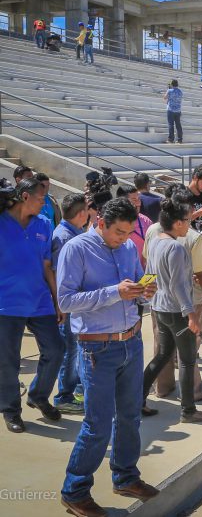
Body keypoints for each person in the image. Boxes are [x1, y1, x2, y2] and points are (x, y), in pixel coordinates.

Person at [57, 198, 159, 515]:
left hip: (130, 340)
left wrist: (145, 291)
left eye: (129, 232)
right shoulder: (75, 249)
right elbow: (66, 300)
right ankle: (74, 491)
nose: (124, 238)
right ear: (100, 223)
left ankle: (125, 476)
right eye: (118, 232)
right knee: (97, 424)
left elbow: (134, 282)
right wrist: (115, 291)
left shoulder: (128, 248)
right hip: (96, 348)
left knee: (129, 416)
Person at [143, 187, 202, 402]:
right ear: (178, 221)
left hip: (158, 306)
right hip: (179, 309)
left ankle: (144, 395)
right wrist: (192, 315)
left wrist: (145, 293)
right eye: (188, 219)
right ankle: (189, 407)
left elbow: (148, 271)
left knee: (161, 355)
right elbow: (182, 284)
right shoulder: (182, 244)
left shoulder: (153, 235)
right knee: (188, 360)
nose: (190, 224)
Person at [0, 178, 63, 433]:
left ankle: (38, 395)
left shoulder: (45, 224)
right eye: (41, 198)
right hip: (6, 304)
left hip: (39, 301)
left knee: (57, 350)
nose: (44, 203)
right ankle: (10, 409)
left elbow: (47, 267)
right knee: (8, 361)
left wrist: (58, 302)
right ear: (25, 197)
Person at [51, 193, 89, 415]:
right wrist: (60, 307)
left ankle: (72, 390)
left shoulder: (73, 233)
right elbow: (57, 275)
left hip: (73, 304)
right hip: (68, 306)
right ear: (81, 213)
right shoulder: (64, 237)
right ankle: (63, 396)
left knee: (73, 350)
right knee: (69, 351)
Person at [116, 186, 153, 268]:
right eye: (134, 200)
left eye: (139, 199)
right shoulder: (114, 223)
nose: (138, 203)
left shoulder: (146, 221)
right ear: (123, 202)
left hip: (144, 272)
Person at [165, 79, 184, 144]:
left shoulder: (170, 90)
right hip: (178, 110)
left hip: (170, 109)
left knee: (171, 124)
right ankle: (180, 139)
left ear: (172, 84)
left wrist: (169, 89)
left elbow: (165, 97)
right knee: (178, 125)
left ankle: (171, 139)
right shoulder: (180, 92)